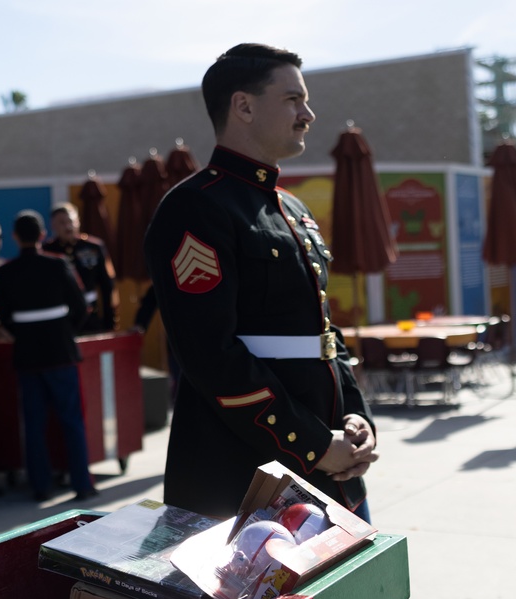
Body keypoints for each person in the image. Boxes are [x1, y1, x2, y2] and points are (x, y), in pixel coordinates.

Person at [143, 43, 378, 522]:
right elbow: (212, 354)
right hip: (245, 472)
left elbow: (323, 334)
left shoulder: (294, 209)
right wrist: (311, 444)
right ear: (244, 106)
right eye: (293, 99)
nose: (308, 114)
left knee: (349, 595)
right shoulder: (195, 207)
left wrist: (356, 417)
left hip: (333, 459)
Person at [0, 210, 98, 502]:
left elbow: (4, 316)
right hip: (61, 352)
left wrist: (24, 333)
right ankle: (82, 484)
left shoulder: (6, 272)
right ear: (42, 235)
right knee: (72, 420)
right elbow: (81, 308)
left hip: (28, 355)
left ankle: (40, 487)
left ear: (15, 237)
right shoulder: (59, 265)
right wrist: (64, 332)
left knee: (34, 423)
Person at [43, 202, 119, 333]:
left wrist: (109, 321)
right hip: (60, 319)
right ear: (53, 225)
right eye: (62, 222)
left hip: (90, 317)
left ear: (78, 221)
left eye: (71, 221)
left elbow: (108, 285)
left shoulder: (93, 247)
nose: (68, 226)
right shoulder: (47, 251)